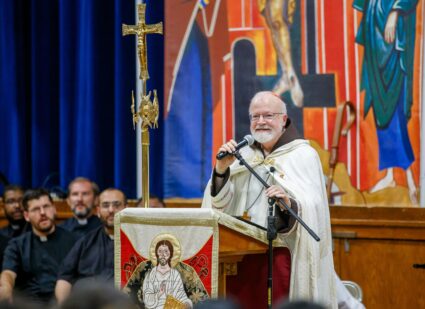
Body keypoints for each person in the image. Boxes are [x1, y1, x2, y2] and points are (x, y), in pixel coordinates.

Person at [202, 91, 336, 308]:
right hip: (239, 257)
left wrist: (289, 203)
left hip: (280, 256)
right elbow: (219, 206)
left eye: (268, 116)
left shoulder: (303, 155)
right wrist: (221, 170)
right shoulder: (242, 155)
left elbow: (313, 207)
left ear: (283, 120)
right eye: (255, 117)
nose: (261, 122)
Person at [354, 0, 419, 203]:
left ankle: (410, 180)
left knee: (395, 108)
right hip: (375, 33)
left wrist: (394, 12)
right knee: (381, 110)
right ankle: (390, 176)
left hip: (394, 36)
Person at [0, 188, 76, 304]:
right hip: (28, 304)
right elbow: (8, 273)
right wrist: (6, 287)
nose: (42, 213)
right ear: (26, 216)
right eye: (35, 209)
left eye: (46, 206)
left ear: (54, 209)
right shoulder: (17, 245)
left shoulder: (74, 241)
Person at [55, 188, 128, 304]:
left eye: (116, 205)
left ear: (125, 208)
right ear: (98, 211)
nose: (111, 210)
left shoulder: (137, 242)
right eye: (105, 205)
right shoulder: (85, 242)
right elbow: (64, 279)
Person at [143, 240, 192, 309]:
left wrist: (187, 304)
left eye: (166, 251)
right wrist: (159, 293)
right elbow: (147, 299)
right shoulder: (151, 275)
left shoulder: (175, 275)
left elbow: (181, 296)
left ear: (170, 254)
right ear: (156, 254)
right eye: (160, 251)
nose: (163, 254)